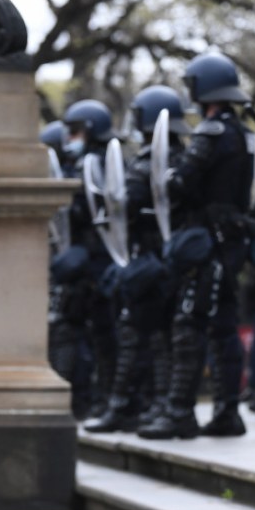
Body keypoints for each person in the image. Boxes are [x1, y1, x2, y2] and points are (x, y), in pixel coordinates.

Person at [138, 53, 255, 440]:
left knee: (190, 326)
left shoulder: (211, 133)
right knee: (222, 327)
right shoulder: (241, 133)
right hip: (231, 243)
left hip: (208, 247)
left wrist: (169, 177)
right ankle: (226, 413)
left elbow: (182, 182)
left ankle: (179, 413)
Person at [85, 85, 189, 433]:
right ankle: (156, 404)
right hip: (167, 260)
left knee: (136, 336)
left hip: (149, 261)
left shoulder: (148, 164)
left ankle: (124, 406)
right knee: (161, 339)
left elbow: (124, 206)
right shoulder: (180, 158)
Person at [49, 99, 117, 419]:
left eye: (76, 131)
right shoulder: (76, 167)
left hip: (102, 262)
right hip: (82, 266)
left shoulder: (104, 166)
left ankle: (106, 398)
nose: (71, 139)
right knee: (74, 334)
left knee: (107, 337)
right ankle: (84, 400)